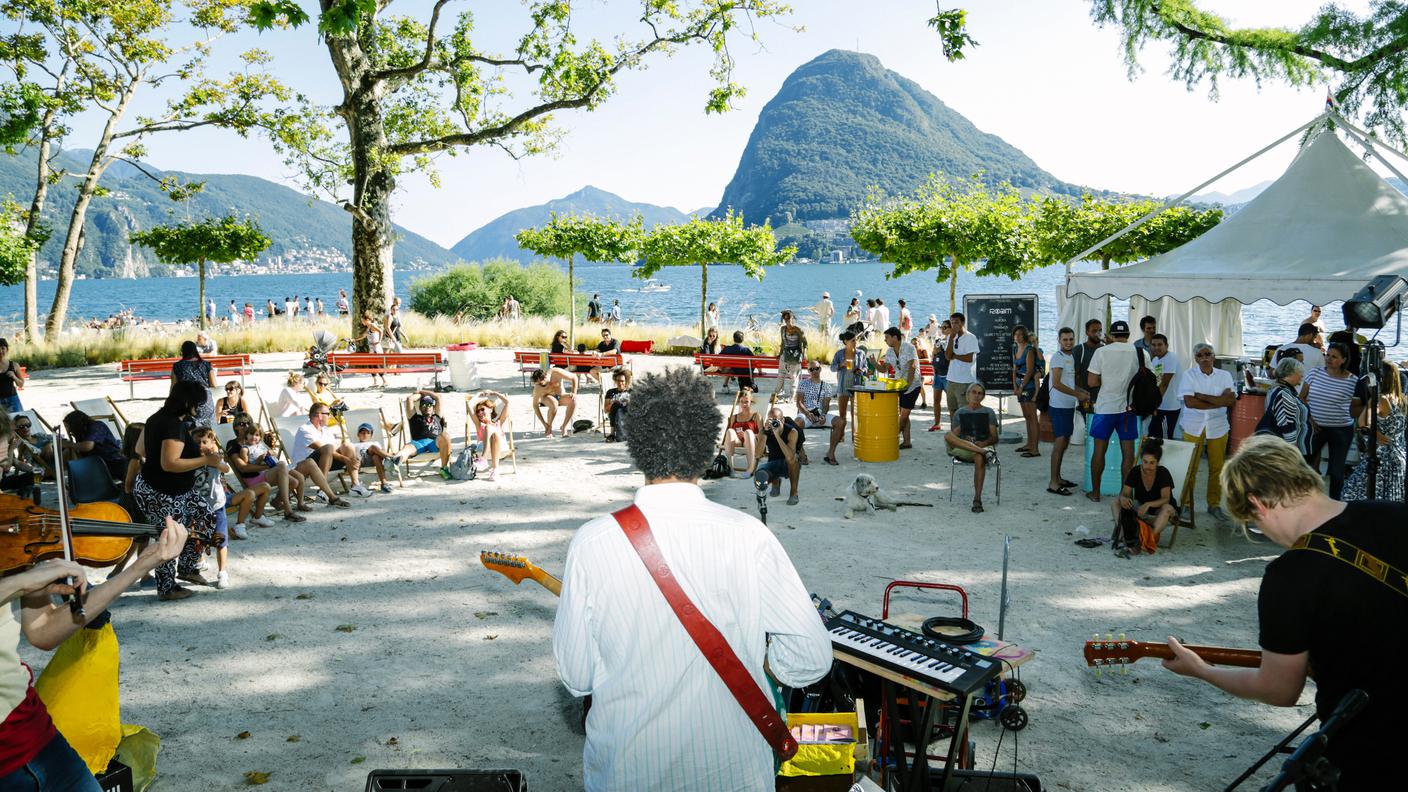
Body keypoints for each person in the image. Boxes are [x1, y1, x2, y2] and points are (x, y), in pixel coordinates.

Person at [552, 369, 831, 791]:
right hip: (734, 770)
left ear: (636, 445)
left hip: (629, 770)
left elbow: (577, 677)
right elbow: (811, 658)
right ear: (705, 450)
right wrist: (760, 658)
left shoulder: (594, 541)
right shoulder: (749, 535)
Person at [1163, 436, 1408, 790]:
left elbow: (1279, 689)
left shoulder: (1289, 576)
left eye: (1253, 523)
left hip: (1371, 752)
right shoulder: (1395, 513)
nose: (1264, 533)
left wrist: (1202, 671)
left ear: (1257, 504)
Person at [1, 518, 188, 790]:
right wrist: (19, 584)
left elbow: (43, 631)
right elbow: (21, 585)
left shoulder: (9, 528)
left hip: (33, 731)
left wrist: (141, 566)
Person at [132, 381, 224, 601]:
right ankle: (167, 588)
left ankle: (187, 567)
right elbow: (169, 464)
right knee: (169, 536)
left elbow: (140, 449)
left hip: (177, 489)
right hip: (161, 491)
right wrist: (206, 460)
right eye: (197, 403)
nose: (200, 407)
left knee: (205, 516)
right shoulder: (172, 424)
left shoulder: (156, 418)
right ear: (186, 402)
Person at [1179, 343, 1237, 521]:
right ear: (1195, 358)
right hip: (1192, 426)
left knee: (1217, 467)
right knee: (1190, 467)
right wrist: (1219, 401)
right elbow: (1190, 403)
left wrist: (1202, 396)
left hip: (1218, 427)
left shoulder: (1225, 375)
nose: (1204, 357)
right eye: (1200, 355)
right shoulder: (1188, 375)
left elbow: (1231, 401)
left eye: (1208, 354)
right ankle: (1186, 505)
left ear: (1213, 357)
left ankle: (1214, 504)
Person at [1086, 320, 1141, 503]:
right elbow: (1150, 380)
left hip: (1105, 408)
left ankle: (1095, 493)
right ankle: (1125, 495)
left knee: (1099, 451)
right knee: (1128, 453)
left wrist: (1109, 382)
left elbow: (1092, 382)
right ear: (1128, 334)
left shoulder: (1101, 352)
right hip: (1129, 408)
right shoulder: (1140, 352)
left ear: (1111, 334)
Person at [1300, 342, 1362, 499]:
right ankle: (1304, 500)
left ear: (1343, 360)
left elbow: (1359, 406)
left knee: (1336, 471)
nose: (1328, 359)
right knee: (1304, 465)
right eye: (1327, 355)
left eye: (1334, 357)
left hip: (1341, 429)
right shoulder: (1314, 373)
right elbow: (1301, 399)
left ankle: (1335, 504)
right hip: (1315, 427)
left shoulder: (1353, 381)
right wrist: (1310, 420)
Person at [1341, 360, 1406, 503]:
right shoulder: (1402, 399)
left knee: (1350, 494)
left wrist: (1374, 433)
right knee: (1391, 500)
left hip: (1381, 458)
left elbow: (1362, 422)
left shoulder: (1380, 399)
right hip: (1398, 456)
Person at [226, 418, 308, 521]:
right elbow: (243, 467)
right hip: (254, 477)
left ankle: (276, 502)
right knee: (282, 465)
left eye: (248, 423)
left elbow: (272, 453)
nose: (246, 425)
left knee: (294, 482)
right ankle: (288, 511)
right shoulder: (234, 445)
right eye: (242, 423)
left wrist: (269, 455)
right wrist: (266, 465)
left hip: (266, 472)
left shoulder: (258, 443)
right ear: (235, 427)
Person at [1112, 438, 1177, 553]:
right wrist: (1123, 498)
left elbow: (1166, 499)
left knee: (1167, 508)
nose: (1148, 466)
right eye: (1145, 462)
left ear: (1158, 462)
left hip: (1159, 512)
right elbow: (1125, 493)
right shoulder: (1135, 471)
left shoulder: (1163, 473)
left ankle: (1144, 539)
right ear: (1141, 460)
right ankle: (1124, 535)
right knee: (1115, 502)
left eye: (1152, 463)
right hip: (1141, 510)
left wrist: (1148, 504)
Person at [291, 403, 363, 505]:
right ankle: (322, 490)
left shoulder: (326, 430)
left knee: (347, 445)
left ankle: (355, 485)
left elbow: (336, 449)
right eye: (328, 413)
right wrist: (346, 460)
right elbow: (323, 449)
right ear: (320, 415)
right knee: (328, 448)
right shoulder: (305, 429)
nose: (330, 416)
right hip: (305, 465)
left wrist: (352, 458)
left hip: (324, 462)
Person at [945, 382, 998, 513]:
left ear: (983, 396)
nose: (976, 395)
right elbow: (954, 437)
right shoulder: (960, 412)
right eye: (973, 392)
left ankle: (977, 499)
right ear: (968, 395)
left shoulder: (989, 412)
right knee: (947, 435)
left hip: (983, 445)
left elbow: (994, 438)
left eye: (980, 393)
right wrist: (965, 430)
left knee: (979, 457)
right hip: (966, 446)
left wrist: (984, 443)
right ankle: (983, 452)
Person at [1046, 327, 1086, 496]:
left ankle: (1059, 477)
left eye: (1071, 339)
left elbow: (1068, 383)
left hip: (1068, 405)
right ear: (1059, 340)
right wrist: (1077, 394)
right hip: (1059, 406)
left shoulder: (1071, 357)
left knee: (1064, 443)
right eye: (1065, 340)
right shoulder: (1057, 357)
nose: (1068, 342)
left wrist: (1082, 392)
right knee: (1060, 442)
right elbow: (1056, 383)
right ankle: (1053, 483)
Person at [1256, 357, 1311, 456]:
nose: (1302, 375)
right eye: (1300, 372)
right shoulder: (1283, 394)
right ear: (1291, 373)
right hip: (1284, 449)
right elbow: (1286, 425)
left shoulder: (1279, 388)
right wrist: (1293, 451)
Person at [395, 391, 453, 478]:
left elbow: (438, 397)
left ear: (433, 408)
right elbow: (409, 399)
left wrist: (423, 391)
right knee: (407, 448)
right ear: (420, 408)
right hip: (418, 443)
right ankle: (394, 462)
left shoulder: (437, 417)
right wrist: (420, 395)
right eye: (424, 405)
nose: (427, 407)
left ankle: (444, 468)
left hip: (434, 442)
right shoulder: (414, 417)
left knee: (446, 435)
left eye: (429, 405)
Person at [796, 361, 843, 466]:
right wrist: (808, 413)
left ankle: (830, 453)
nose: (814, 371)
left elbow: (826, 404)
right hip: (806, 413)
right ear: (808, 371)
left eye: (816, 368)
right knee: (796, 424)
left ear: (820, 369)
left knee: (840, 422)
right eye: (811, 369)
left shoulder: (826, 386)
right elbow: (799, 403)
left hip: (820, 414)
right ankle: (802, 453)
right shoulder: (803, 383)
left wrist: (823, 415)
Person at [882, 327, 921, 450]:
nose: (885, 340)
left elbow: (913, 366)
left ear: (895, 337)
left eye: (887, 337)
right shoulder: (889, 351)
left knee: (903, 416)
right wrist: (874, 363)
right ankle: (907, 442)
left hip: (913, 385)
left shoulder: (909, 347)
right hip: (899, 386)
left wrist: (908, 384)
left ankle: (891, 438)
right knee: (904, 415)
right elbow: (884, 369)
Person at [61, 411, 125, 481]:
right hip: (97, 465)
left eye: (68, 426)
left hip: (113, 462)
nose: (68, 430)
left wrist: (70, 444)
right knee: (69, 451)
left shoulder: (97, 426)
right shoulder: (81, 432)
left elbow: (88, 446)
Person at [943, 312, 980, 429]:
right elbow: (948, 356)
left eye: (957, 322)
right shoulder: (950, 337)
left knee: (964, 410)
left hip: (965, 380)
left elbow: (969, 358)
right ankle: (955, 434)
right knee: (952, 409)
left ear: (962, 323)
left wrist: (955, 356)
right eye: (952, 322)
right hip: (951, 379)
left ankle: (967, 436)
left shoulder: (970, 337)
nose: (954, 325)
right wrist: (951, 339)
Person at [758, 407, 801, 505]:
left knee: (793, 460)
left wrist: (777, 435)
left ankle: (794, 493)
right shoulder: (764, 431)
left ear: (782, 420)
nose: (773, 422)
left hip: (789, 464)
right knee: (760, 474)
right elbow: (757, 455)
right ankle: (775, 482)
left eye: (775, 419)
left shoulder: (792, 432)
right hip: (773, 462)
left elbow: (790, 457)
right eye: (770, 419)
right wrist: (765, 433)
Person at [830, 330, 865, 449]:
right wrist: (841, 365)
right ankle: (841, 435)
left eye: (856, 340)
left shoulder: (860, 353)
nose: (855, 342)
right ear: (846, 341)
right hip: (843, 385)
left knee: (855, 413)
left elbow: (864, 367)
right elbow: (832, 368)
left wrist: (861, 370)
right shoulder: (839, 354)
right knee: (842, 414)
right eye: (852, 340)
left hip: (856, 386)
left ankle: (855, 436)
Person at [171, 340, 217, 427]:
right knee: (209, 428)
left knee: (189, 428)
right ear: (195, 350)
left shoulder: (177, 366)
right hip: (205, 399)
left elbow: (174, 387)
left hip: (186, 400)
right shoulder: (206, 364)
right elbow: (214, 384)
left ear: (183, 351)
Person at [468, 391, 512, 481]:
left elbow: (507, 402)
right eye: (478, 411)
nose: (479, 412)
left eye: (482, 409)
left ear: (490, 410)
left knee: (493, 433)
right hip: (482, 447)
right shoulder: (479, 424)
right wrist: (478, 394)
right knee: (488, 428)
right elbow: (469, 404)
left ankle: (484, 460)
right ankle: (494, 469)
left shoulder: (499, 422)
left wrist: (495, 393)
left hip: (500, 446)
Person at [1011, 325, 1041, 457]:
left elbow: (1029, 371)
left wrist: (1021, 387)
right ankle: (1029, 444)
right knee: (1027, 417)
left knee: (1033, 417)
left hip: (1028, 387)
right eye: (1016, 334)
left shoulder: (1029, 350)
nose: (1018, 336)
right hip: (1019, 386)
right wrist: (1015, 386)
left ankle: (1035, 449)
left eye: (1020, 334)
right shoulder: (1014, 348)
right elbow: (1014, 368)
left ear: (1024, 336)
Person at [1147, 334, 1181, 439]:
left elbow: (1165, 383)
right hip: (1159, 406)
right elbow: (1157, 381)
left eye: (1160, 344)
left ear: (1166, 345)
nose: (1156, 347)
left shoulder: (1171, 357)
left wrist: (1154, 404)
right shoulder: (1155, 360)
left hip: (1168, 407)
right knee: (1153, 435)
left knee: (1164, 440)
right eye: (1153, 345)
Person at [1072, 319, 1104, 429]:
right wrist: (1079, 394)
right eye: (1094, 331)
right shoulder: (1078, 350)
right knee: (1090, 427)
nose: (1097, 333)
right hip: (1086, 399)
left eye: (1099, 330)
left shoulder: (1105, 350)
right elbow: (1074, 375)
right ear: (1087, 332)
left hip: (1103, 398)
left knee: (1101, 429)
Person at [725, 387, 763, 477]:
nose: (744, 404)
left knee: (748, 433)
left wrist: (749, 434)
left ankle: (750, 469)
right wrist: (739, 436)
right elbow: (729, 436)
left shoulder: (756, 416)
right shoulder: (734, 417)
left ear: (751, 402)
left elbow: (762, 434)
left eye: (746, 402)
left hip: (752, 441)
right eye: (741, 402)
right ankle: (731, 468)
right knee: (730, 431)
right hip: (738, 441)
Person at [531, 368, 578, 438]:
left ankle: (564, 427)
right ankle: (549, 428)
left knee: (573, 400)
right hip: (547, 398)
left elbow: (574, 377)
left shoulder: (555, 372)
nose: (539, 385)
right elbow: (535, 405)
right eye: (537, 384)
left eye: (541, 383)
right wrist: (544, 423)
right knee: (554, 403)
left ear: (546, 377)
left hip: (561, 395)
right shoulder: (537, 388)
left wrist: (574, 392)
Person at [773, 310, 808, 402]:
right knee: (781, 375)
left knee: (793, 377)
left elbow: (805, 344)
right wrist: (780, 354)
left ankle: (792, 396)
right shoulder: (783, 329)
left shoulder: (799, 330)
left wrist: (804, 353)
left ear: (793, 318)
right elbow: (783, 343)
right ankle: (776, 394)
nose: (787, 320)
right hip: (785, 355)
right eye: (785, 318)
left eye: (789, 318)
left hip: (795, 356)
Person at [0, 412, 37, 500]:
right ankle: (22, 494)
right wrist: (11, 449)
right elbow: (7, 468)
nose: (14, 434)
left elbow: (15, 462)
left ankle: (25, 492)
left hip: (3, 480)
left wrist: (34, 470)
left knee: (34, 476)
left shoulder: (8, 443)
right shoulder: (3, 444)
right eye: (15, 430)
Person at [350, 421, 394, 493]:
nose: (365, 435)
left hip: (374, 460)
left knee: (376, 456)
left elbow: (381, 452)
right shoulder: (354, 444)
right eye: (362, 432)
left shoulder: (375, 443)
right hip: (360, 461)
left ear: (371, 435)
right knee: (373, 447)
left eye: (368, 433)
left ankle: (384, 483)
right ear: (358, 434)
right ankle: (392, 458)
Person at [927, 318, 952, 431]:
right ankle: (937, 423)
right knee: (936, 400)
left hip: (948, 374)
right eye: (941, 327)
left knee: (951, 402)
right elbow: (933, 353)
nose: (942, 329)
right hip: (938, 374)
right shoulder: (939, 340)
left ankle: (954, 425)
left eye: (945, 327)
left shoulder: (954, 341)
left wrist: (939, 351)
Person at [355, 312, 387, 387]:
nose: (362, 322)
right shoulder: (368, 327)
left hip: (376, 349)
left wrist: (379, 340)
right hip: (372, 349)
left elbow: (381, 331)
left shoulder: (372, 325)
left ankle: (385, 381)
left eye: (362, 320)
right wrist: (354, 340)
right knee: (371, 365)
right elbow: (363, 336)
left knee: (376, 365)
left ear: (367, 319)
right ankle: (375, 381)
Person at [604, 368, 631, 442]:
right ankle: (612, 434)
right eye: (618, 380)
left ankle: (613, 434)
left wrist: (628, 402)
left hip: (627, 414)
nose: (620, 383)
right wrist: (613, 403)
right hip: (614, 414)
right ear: (615, 381)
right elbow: (606, 410)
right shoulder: (610, 392)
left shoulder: (631, 392)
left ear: (626, 381)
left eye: (622, 381)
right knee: (616, 406)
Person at [0, 339, 24, 412]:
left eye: (2, 348)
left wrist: (14, 377)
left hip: (12, 399)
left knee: (19, 421)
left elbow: (21, 385)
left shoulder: (14, 365)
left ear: (7, 349)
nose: (0, 351)